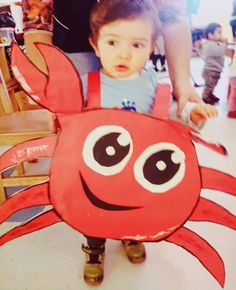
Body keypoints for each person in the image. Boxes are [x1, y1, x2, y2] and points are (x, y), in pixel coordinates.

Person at [80, 0, 218, 285]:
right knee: (93, 212)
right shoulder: (84, 84)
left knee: (132, 207)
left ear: (153, 47)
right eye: (113, 42)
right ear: (95, 45)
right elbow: (66, 121)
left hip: (136, 170)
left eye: (137, 45)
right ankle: (94, 249)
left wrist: (194, 114)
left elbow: (172, 115)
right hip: (97, 172)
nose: (124, 53)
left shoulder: (154, 83)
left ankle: (131, 236)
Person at [21, 0, 201, 113]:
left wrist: (182, 83)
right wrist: (51, 91)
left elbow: (174, 16)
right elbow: (37, 25)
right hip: (72, 43)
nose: (122, 55)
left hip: (133, 31)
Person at [201, 22, 233, 105]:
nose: (221, 35)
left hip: (215, 69)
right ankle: (205, 97)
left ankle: (210, 95)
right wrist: (225, 44)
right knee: (209, 85)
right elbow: (219, 52)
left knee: (213, 84)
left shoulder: (215, 43)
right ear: (211, 35)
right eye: (219, 33)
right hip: (210, 71)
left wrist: (224, 44)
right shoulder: (209, 45)